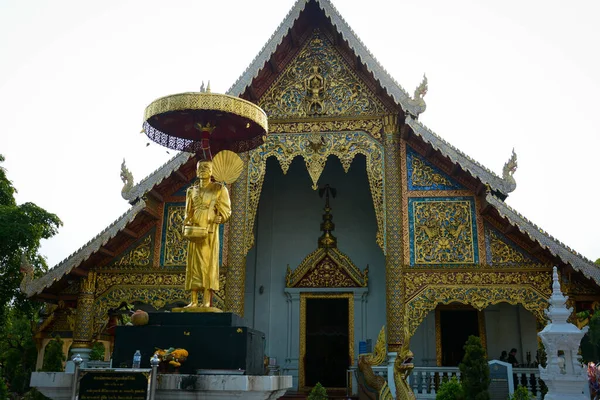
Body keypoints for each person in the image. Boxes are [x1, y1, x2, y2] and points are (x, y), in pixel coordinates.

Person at [183, 160, 231, 308]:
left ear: (212, 171)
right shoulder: (191, 191)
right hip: (195, 230)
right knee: (193, 265)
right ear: (196, 171)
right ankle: (193, 300)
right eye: (200, 168)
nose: (203, 170)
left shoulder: (219, 189)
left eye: (206, 168)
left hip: (209, 231)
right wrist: (187, 222)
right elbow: (188, 212)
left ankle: (206, 301)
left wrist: (221, 217)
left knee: (207, 264)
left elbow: (226, 210)